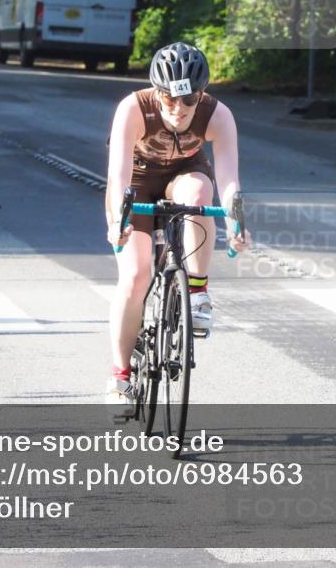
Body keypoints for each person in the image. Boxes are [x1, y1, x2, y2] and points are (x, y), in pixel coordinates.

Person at [104, 42, 249, 411]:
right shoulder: (133, 109)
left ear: (202, 94)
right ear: (157, 91)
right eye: (169, 98)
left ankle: (197, 292)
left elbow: (230, 181)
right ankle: (120, 376)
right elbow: (117, 176)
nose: (179, 109)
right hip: (136, 183)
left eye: (189, 100)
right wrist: (117, 223)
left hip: (184, 173)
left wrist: (236, 221)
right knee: (135, 276)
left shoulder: (218, 115)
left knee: (201, 192)